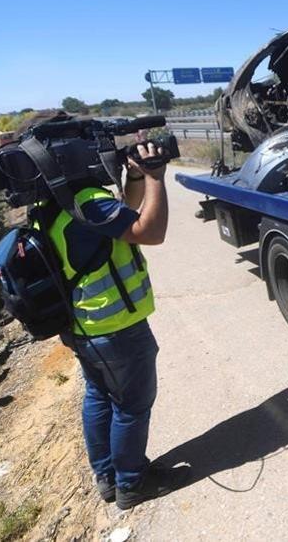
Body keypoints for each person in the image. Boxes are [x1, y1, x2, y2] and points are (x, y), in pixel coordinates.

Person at [49, 140, 184, 510]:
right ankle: (132, 483)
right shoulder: (88, 200)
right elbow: (149, 231)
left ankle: (107, 477)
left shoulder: (54, 202)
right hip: (116, 327)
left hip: (85, 327)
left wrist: (137, 176)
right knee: (131, 407)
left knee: (99, 396)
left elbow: (120, 217)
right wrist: (157, 178)